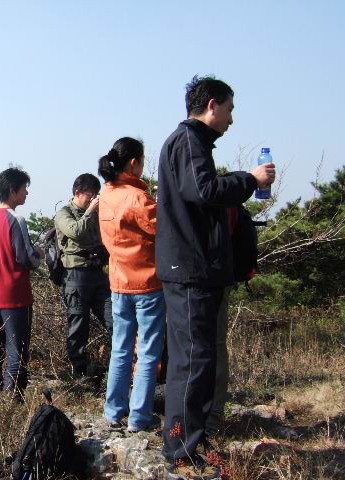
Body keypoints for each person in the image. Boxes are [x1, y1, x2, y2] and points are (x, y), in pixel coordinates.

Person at [157, 75, 275, 468]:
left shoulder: (190, 142)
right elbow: (204, 190)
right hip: (191, 271)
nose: (231, 119)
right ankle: (182, 449)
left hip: (193, 269)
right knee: (193, 361)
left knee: (195, 360)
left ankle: (190, 439)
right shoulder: (189, 141)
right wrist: (250, 180)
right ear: (212, 105)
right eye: (229, 109)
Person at [97, 138, 166, 433]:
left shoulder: (106, 194)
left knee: (121, 349)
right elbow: (165, 228)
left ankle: (113, 412)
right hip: (148, 283)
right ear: (135, 163)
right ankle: (139, 417)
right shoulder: (138, 198)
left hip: (118, 283)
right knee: (148, 353)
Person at [0, 167, 41, 400]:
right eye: (24, 189)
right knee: (17, 351)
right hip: (15, 297)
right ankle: (13, 401)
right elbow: (27, 258)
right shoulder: (15, 219)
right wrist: (40, 254)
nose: (26, 193)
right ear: (13, 190)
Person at [54, 173, 112, 378]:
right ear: (78, 192)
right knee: (79, 326)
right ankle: (79, 372)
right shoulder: (64, 213)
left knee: (114, 318)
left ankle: (119, 365)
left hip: (98, 273)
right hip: (75, 275)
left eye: (97, 194)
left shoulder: (97, 212)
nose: (94, 198)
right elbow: (76, 232)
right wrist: (90, 211)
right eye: (90, 194)